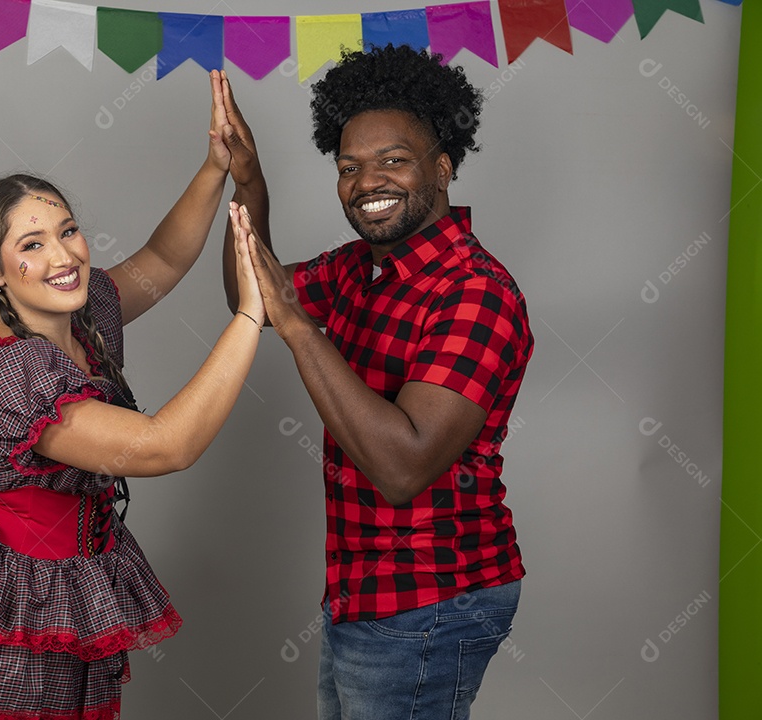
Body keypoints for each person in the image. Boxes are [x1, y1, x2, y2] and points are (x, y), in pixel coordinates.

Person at [0, 71, 265, 720]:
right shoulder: (12, 375)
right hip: (3, 602)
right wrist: (252, 316)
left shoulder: (82, 312)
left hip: (60, 580)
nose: (63, 255)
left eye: (67, 230)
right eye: (32, 244)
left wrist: (213, 168)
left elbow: (162, 261)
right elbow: (164, 447)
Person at [220, 47, 534, 719]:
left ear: (443, 167)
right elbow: (246, 292)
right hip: (366, 587)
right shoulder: (359, 268)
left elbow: (403, 466)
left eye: (392, 159)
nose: (366, 181)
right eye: (348, 166)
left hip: (431, 595)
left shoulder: (475, 292)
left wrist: (302, 326)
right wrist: (248, 182)